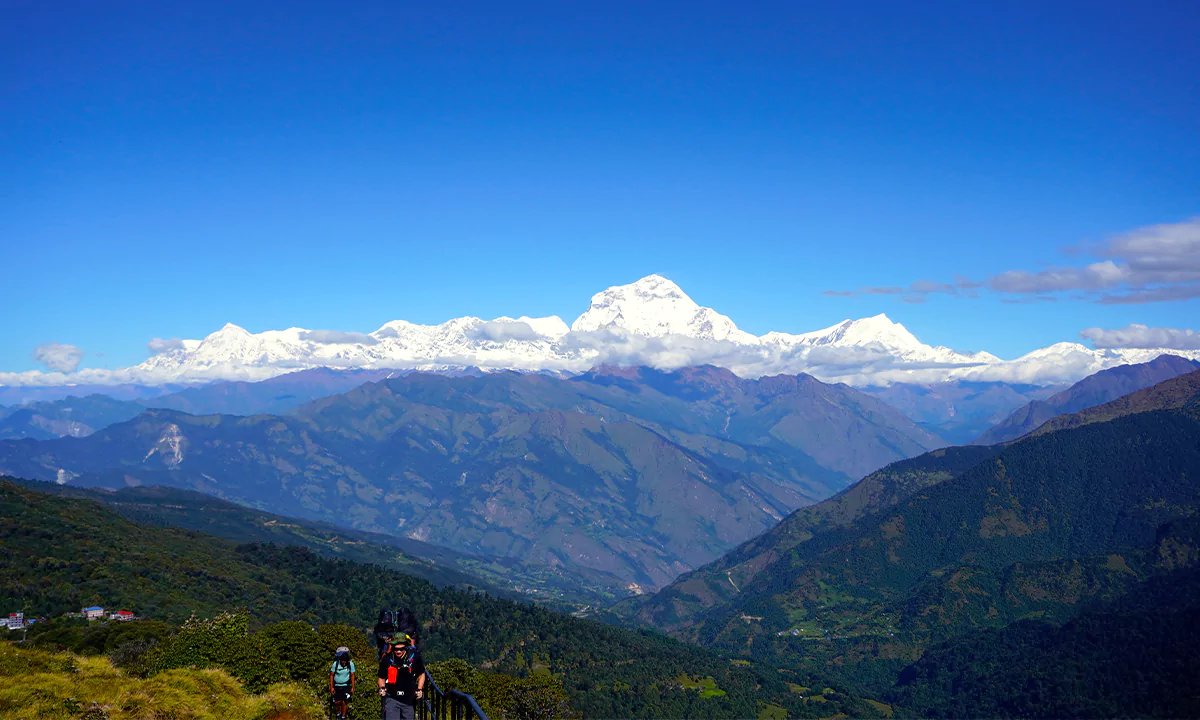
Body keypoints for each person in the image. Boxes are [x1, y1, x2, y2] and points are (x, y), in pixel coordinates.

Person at [377, 632, 426, 720]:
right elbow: (381, 677)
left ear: (406, 646)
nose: (398, 651)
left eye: (401, 649)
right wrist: (382, 688)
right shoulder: (386, 659)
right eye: (396, 649)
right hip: (392, 697)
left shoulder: (414, 658)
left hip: (409, 698)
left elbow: (421, 674)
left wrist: (419, 688)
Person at [329, 646, 356, 720]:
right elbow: (331, 675)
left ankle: (343, 717)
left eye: (345, 661)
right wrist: (331, 687)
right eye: (343, 661)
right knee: (337, 702)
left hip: (346, 685)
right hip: (337, 685)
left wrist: (352, 687)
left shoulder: (351, 664)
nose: (344, 663)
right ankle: (338, 715)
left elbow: (352, 675)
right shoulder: (336, 664)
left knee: (344, 701)